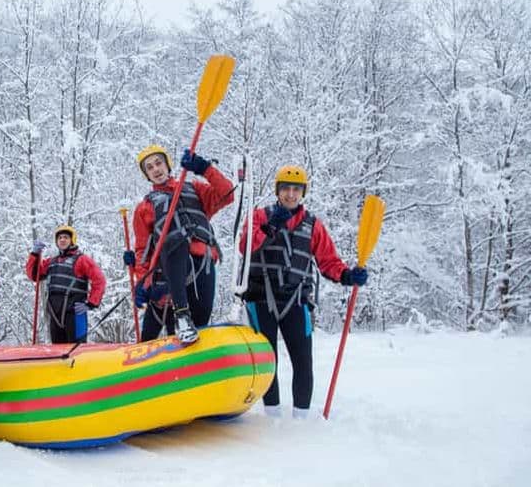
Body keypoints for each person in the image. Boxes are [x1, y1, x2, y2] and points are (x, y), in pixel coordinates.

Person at [239, 164, 369, 419]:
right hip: (260, 298)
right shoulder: (259, 217)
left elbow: (328, 261)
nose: (290, 194)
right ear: (277, 191)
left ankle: (301, 421)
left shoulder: (313, 225)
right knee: (268, 361)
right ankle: (272, 417)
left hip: (296, 300)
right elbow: (244, 247)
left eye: (296, 189)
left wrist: (347, 275)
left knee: (303, 360)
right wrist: (269, 228)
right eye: (285, 189)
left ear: (303, 193)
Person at [124, 145, 234, 344]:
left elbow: (227, 193)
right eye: (149, 168)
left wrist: (204, 168)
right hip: (171, 272)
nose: (156, 169)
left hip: (203, 264)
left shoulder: (194, 189)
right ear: (147, 175)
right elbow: (142, 250)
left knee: (201, 324)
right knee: (175, 239)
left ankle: (196, 366)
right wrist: (143, 282)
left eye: (158, 163)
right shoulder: (145, 207)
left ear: (168, 165)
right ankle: (181, 316)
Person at [26, 225, 106, 343]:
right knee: (57, 350)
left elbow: (99, 280)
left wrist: (91, 303)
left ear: (72, 240)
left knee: (77, 349)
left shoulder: (82, 260)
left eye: (66, 237)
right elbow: (34, 275)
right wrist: (34, 255)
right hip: (54, 314)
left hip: (75, 312)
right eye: (60, 238)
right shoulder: (51, 262)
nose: (62, 240)